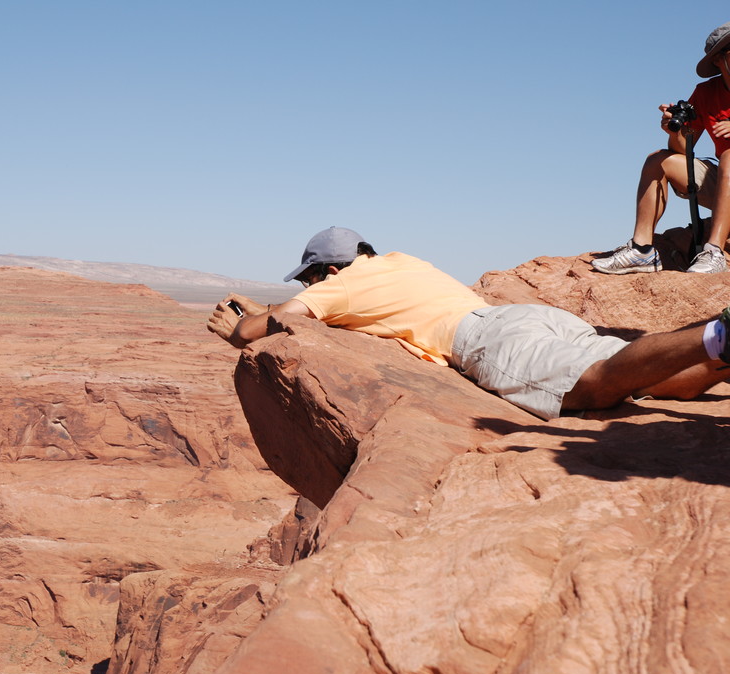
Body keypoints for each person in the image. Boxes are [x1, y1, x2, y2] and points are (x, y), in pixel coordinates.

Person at [207, 226, 730, 420]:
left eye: (311, 278)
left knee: (594, 384)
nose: (310, 288)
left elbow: (257, 332)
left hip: (486, 339)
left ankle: (721, 331)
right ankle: (721, 353)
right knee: (662, 386)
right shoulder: (403, 260)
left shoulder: (339, 285)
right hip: (526, 317)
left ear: (331, 269)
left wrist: (237, 326)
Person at [593, 21, 730, 275]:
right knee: (658, 160)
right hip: (725, 182)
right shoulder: (706, 93)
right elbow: (681, 151)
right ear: (719, 61)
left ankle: (714, 252)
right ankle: (643, 250)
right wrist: (674, 130)